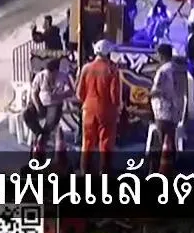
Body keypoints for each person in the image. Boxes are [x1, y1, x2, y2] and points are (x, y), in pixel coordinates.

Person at [77, 39, 122, 173]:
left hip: (88, 110)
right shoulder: (112, 70)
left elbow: (79, 93)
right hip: (106, 111)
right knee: (106, 143)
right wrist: (118, 108)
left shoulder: (86, 68)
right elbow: (114, 95)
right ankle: (104, 171)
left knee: (87, 142)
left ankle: (85, 170)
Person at [24, 56, 75, 154]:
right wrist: (38, 106)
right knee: (27, 114)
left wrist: (59, 95)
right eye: (48, 72)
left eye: (52, 73)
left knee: (52, 119)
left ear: (56, 71)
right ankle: (39, 133)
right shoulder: (40, 76)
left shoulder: (62, 77)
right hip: (40, 102)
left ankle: (42, 140)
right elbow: (34, 93)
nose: (50, 75)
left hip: (54, 104)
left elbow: (70, 91)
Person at [149, 43, 187, 157]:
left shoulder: (163, 71)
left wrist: (148, 94)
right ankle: (172, 162)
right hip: (176, 110)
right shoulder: (179, 70)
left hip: (163, 110)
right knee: (171, 139)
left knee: (162, 142)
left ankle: (161, 164)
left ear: (162, 55)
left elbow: (158, 90)